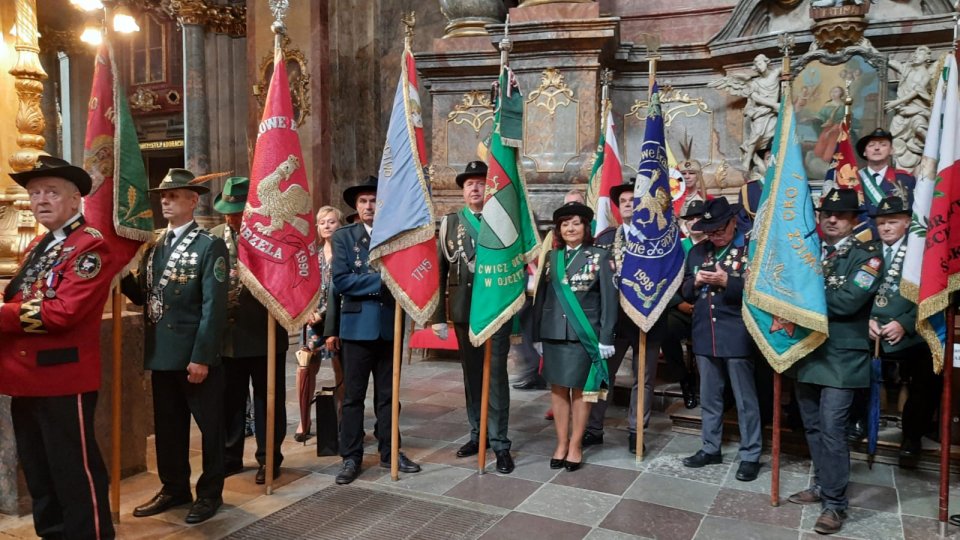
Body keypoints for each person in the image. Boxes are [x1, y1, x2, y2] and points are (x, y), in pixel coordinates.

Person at [0, 156, 117, 539]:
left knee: (74, 474)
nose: (40, 200)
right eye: (34, 193)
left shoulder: (90, 248)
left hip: (63, 378)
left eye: (51, 192)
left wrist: (2, 314)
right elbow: (21, 297)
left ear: (75, 200)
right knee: (40, 474)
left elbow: (62, 313)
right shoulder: (39, 243)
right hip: (23, 379)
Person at [123, 168, 229, 524]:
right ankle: (174, 487)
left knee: (210, 427)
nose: (165, 201)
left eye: (174, 195)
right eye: (163, 196)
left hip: (193, 356)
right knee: (168, 428)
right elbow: (143, 294)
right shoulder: (153, 246)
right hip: (161, 353)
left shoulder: (208, 244)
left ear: (192, 201)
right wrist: (122, 274)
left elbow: (214, 308)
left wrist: (201, 357)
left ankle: (210, 493)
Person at [787, 188, 882, 536]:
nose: (831, 219)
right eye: (826, 213)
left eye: (840, 215)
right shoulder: (813, 254)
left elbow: (846, 303)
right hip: (810, 353)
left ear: (854, 220)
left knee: (832, 429)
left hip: (843, 359)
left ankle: (835, 505)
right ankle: (821, 485)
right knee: (811, 425)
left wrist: (802, 295)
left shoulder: (867, 257)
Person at [328, 175, 421, 485]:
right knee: (353, 397)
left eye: (374, 201)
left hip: (389, 326)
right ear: (356, 207)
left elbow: (408, 276)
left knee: (388, 397)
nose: (369, 206)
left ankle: (390, 452)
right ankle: (351, 457)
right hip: (356, 329)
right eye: (364, 201)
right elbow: (342, 281)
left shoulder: (397, 237)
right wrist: (383, 281)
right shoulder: (344, 237)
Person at [431, 160, 515, 473]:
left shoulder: (503, 221)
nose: (476, 188)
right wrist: (439, 315)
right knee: (472, 376)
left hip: (496, 311)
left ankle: (500, 442)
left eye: (481, 182)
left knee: (496, 378)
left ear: (490, 188)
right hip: (465, 312)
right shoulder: (450, 223)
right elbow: (440, 271)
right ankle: (477, 433)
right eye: (470, 184)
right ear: (463, 191)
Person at [679, 198, 762, 482]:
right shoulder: (697, 252)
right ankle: (710, 447)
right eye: (709, 231)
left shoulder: (748, 248)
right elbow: (685, 291)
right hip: (704, 333)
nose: (713, 236)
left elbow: (760, 289)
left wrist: (729, 283)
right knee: (710, 398)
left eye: (718, 230)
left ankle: (750, 453)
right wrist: (698, 282)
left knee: (744, 399)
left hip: (737, 332)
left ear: (733, 222)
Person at [212, 177, 288, 485]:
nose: (231, 217)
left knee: (267, 401)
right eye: (227, 211)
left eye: (237, 211)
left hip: (265, 331)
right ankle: (230, 456)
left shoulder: (273, 236)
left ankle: (269, 458)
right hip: (228, 335)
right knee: (230, 399)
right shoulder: (214, 238)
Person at [533, 202, 617, 471]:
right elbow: (541, 299)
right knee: (558, 390)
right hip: (555, 334)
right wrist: (537, 334)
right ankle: (560, 442)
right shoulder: (552, 258)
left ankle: (576, 445)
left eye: (576, 223)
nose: (570, 228)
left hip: (585, 335)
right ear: (559, 228)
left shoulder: (601, 255)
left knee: (581, 391)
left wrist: (606, 337)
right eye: (565, 223)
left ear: (586, 227)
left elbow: (609, 300)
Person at [590, 181, 669, 452]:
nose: (627, 203)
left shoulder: (658, 239)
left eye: (633, 199)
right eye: (623, 200)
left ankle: (636, 433)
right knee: (603, 374)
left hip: (648, 318)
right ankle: (594, 427)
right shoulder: (605, 239)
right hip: (615, 320)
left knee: (643, 379)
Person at [868, 195, 941, 459]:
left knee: (928, 375)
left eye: (893, 222)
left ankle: (911, 437)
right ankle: (857, 423)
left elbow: (932, 294)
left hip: (912, 331)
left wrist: (905, 323)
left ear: (908, 223)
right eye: (881, 223)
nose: (886, 228)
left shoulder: (922, 253)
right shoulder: (868, 250)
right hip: (871, 331)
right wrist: (866, 320)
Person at [296, 205, 344, 442]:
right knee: (306, 366)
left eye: (332, 221)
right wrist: (307, 311)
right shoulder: (312, 255)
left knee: (339, 368)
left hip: (337, 319)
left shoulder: (345, 255)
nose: (327, 225)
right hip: (311, 319)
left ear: (340, 225)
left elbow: (343, 288)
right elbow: (303, 286)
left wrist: (323, 313)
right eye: (322, 222)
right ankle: (304, 421)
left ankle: (342, 415)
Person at [855, 128, 917, 219]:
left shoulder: (905, 179)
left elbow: (911, 214)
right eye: (871, 145)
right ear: (864, 152)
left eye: (883, 145)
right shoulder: (854, 179)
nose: (876, 148)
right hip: (861, 231)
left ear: (891, 150)